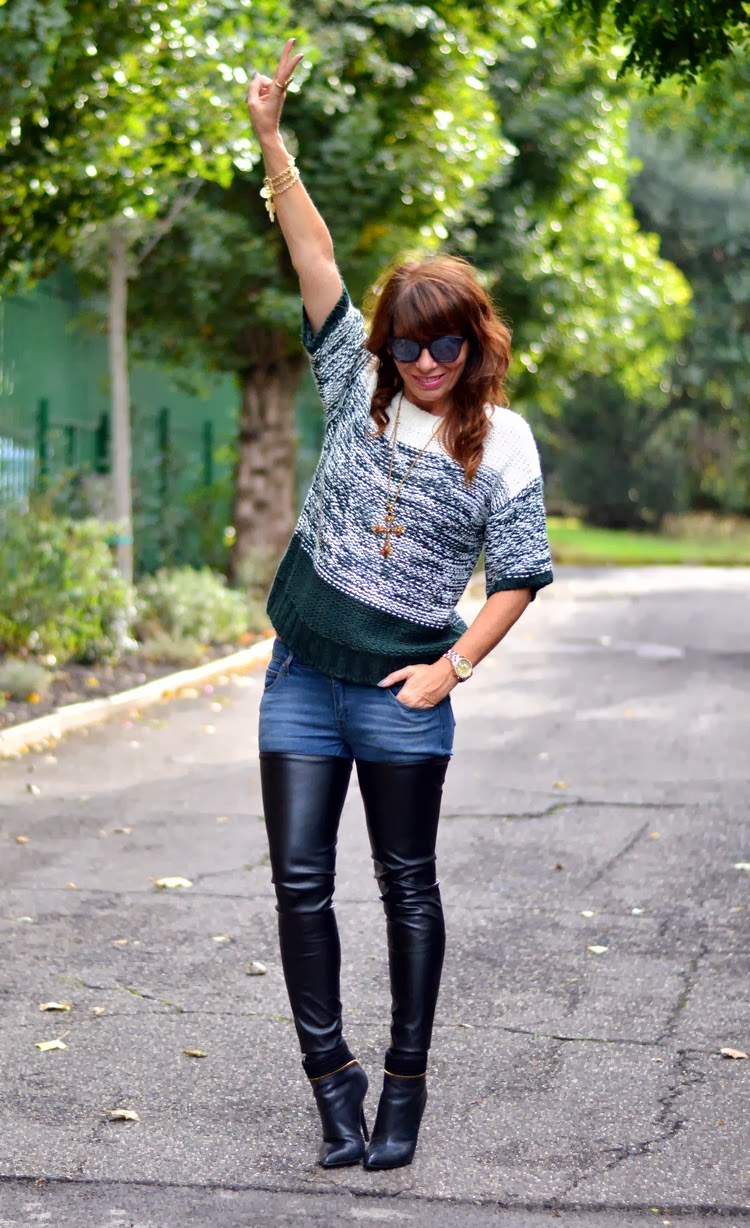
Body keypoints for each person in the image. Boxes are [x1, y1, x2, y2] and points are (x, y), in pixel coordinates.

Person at [247, 39, 553, 1171]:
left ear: (476, 339)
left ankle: (406, 1088)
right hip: (300, 678)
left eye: (447, 341)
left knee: (407, 888)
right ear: (388, 344)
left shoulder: (503, 440)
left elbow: (519, 574)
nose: (428, 360)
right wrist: (273, 140)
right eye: (411, 342)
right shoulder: (353, 385)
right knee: (300, 886)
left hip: (400, 691)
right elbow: (314, 252)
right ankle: (332, 1082)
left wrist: (449, 671)